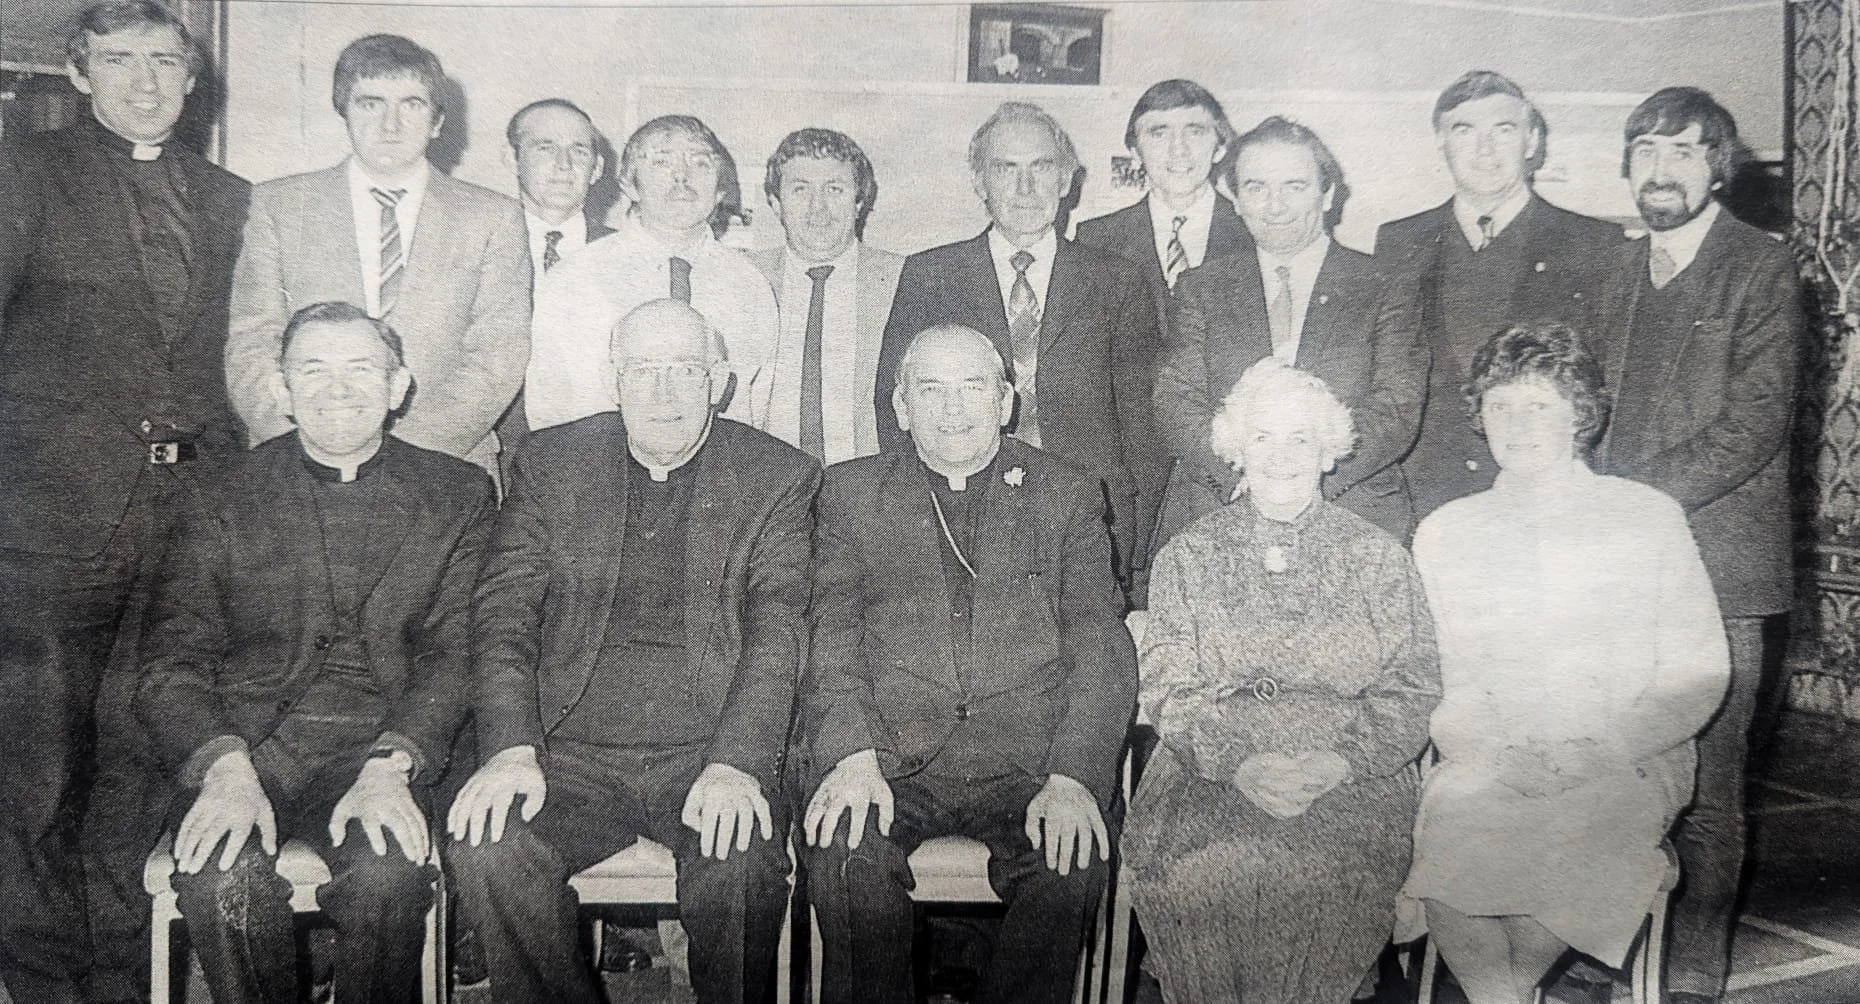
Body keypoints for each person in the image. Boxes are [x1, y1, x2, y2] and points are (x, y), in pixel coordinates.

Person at [446, 298, 814, 1004]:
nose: (664, 392)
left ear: (721, 380)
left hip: (705, 750)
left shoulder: (777, 476)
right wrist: (510, 747)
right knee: (487, 845)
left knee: (741, 859)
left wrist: (737, 762)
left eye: (686, 370)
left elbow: (779, 631)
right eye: (644, 370)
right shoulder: (552, 461)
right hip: (570, 753)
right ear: (614, 378)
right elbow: (503, 615)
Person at [136, 302, 493, 1004]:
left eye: (361, 369)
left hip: (380, 746)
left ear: (399, 386)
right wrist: (222, 765)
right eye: (313, 369)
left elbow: (458, 654)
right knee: (219, 875)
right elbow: (168, 661)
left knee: (389, 873)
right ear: (282, 387)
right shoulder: (218, 493)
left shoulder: (459, 494)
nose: (337, 388)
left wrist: (394, 766)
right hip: (250, 745)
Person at [0, 3, 250, 999]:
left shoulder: (234, 198)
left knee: (141, 765)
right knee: (35, 775)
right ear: (78, 72)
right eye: (119, 60)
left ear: (193, 78)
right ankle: (41, 981)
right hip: (49, 522)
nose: (145, 80)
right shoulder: (25, 172)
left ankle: (118, 977)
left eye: (165, 60)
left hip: (189, 519)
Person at [804, 325, 1137, 1004]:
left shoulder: (1066, 492)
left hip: (1030, 763)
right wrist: (852, 757)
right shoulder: (849, 494)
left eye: (972, 387)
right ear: (900, 408)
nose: (952, 408)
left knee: (1070, 859)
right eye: (930, 389)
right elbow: (830, 634)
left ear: (1007, 400)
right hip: (892, 761)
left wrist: (1074, 775)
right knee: (845, 852)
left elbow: (1101, 647)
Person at [1401, 322, 1730, 1004]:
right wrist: (1494, 752)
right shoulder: (1447, 531)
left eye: (1540, 405)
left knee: (1565, 834)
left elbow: (1699, 672)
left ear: (1579, 412)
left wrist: (1595, 752)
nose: (1518, 424)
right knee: (1461, 818)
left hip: (1626, 754)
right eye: (1501, 406)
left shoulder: (1646, 517)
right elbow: (1439, 676)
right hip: (1490, 753)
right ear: (1479, 417)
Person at [1126, 357, 1439, 1003]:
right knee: (1208, 869)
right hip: (1207, 766)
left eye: (1301, 438)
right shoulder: (1186, 556)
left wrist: (1342, 760)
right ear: (1236, 449)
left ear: (1329, 452)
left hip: (1353, 771)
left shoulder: (1378, 557)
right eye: (1263, 436)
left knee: (1323, 871)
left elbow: (1413, 685)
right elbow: (1169, 690)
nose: (1282, 454)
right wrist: (1238, 763)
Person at [1591, 87, 1802, 1004]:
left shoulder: (1764, 269)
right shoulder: (1613, 269)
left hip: (1719, 573)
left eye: (1683, 152)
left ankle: (1692, 979)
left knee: (1708, 790)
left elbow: (1752, 427)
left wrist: (1626, 504)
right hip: (1612, 572)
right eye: (1646, 151)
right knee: (1614, 771)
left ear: (1719, 166)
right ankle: (1606, 956)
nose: (1661, 170)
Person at [877, 101, 1163, 601]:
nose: (1025, 187)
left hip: (1092, 524)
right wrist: (923, 518)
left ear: (1067, 180)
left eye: (1041, 167)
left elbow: (1142, 428)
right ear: (979, 181)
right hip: (962, 520)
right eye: (1005, 168)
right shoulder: (931, 275)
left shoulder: (1118, 281)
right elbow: (894, 406)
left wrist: (1132, 549)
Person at [225, 34, 531, 480]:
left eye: (412, 104)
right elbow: (253, 342)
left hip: (444, 469)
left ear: (438, 121)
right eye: (371, 103)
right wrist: (307, 446)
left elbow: (498, 354)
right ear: (343, 110)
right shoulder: (278, 205)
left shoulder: (493, 217)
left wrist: (404, 460)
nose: (391, 125)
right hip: (298, 467)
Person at [1154, 115, 1427, 545]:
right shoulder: (1200, 287)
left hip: (1350, 510)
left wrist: (1305, 484)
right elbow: (1176, 400)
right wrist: (1246, 480)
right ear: (1237, 199)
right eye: (1257, 188)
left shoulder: (1384, 285)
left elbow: (1396, 406)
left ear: (1328, 194)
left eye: (1294, 187)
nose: (1274, 206)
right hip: (1219, 511)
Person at [1378, 70, 1623, 520]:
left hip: (1547, 497)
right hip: (1424, 498)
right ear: (1441, 142)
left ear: (1531, 142)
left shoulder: (1596, 245)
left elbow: (1605, 386)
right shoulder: (1397, 243)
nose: (1484, 149)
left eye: (1503, 130)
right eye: (1464, 130)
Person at [524, 115, 779, 435]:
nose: (682, 177)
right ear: (630, 184)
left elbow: (755, 410)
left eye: (700, 163)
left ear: (719, 191)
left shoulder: (749, 285)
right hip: (600, 471)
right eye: (661, 162)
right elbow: (551, 411)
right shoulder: (575, 279)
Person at [747, 127, 904, 463]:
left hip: (871, 492)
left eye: (834, 189)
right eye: (800, 189)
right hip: (764, 492)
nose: (818, 208)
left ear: (860, 201)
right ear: (775, 202)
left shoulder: (903, 279)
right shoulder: (743, 277)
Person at [494, 97, 616, 499]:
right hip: (493, 457)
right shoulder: (478, 245)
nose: (564, 164)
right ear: (511, 159)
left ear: (597, 168)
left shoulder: (626, 255)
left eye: (579, 150)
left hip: (597, 462)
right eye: (544, 147)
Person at [1074, 79, 1248, 323]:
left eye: (1195, 132)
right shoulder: (1096, 240)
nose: (1179, 149)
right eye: (1159, 133)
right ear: (1135, 154)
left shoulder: (1252, 230)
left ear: (1219, 148)